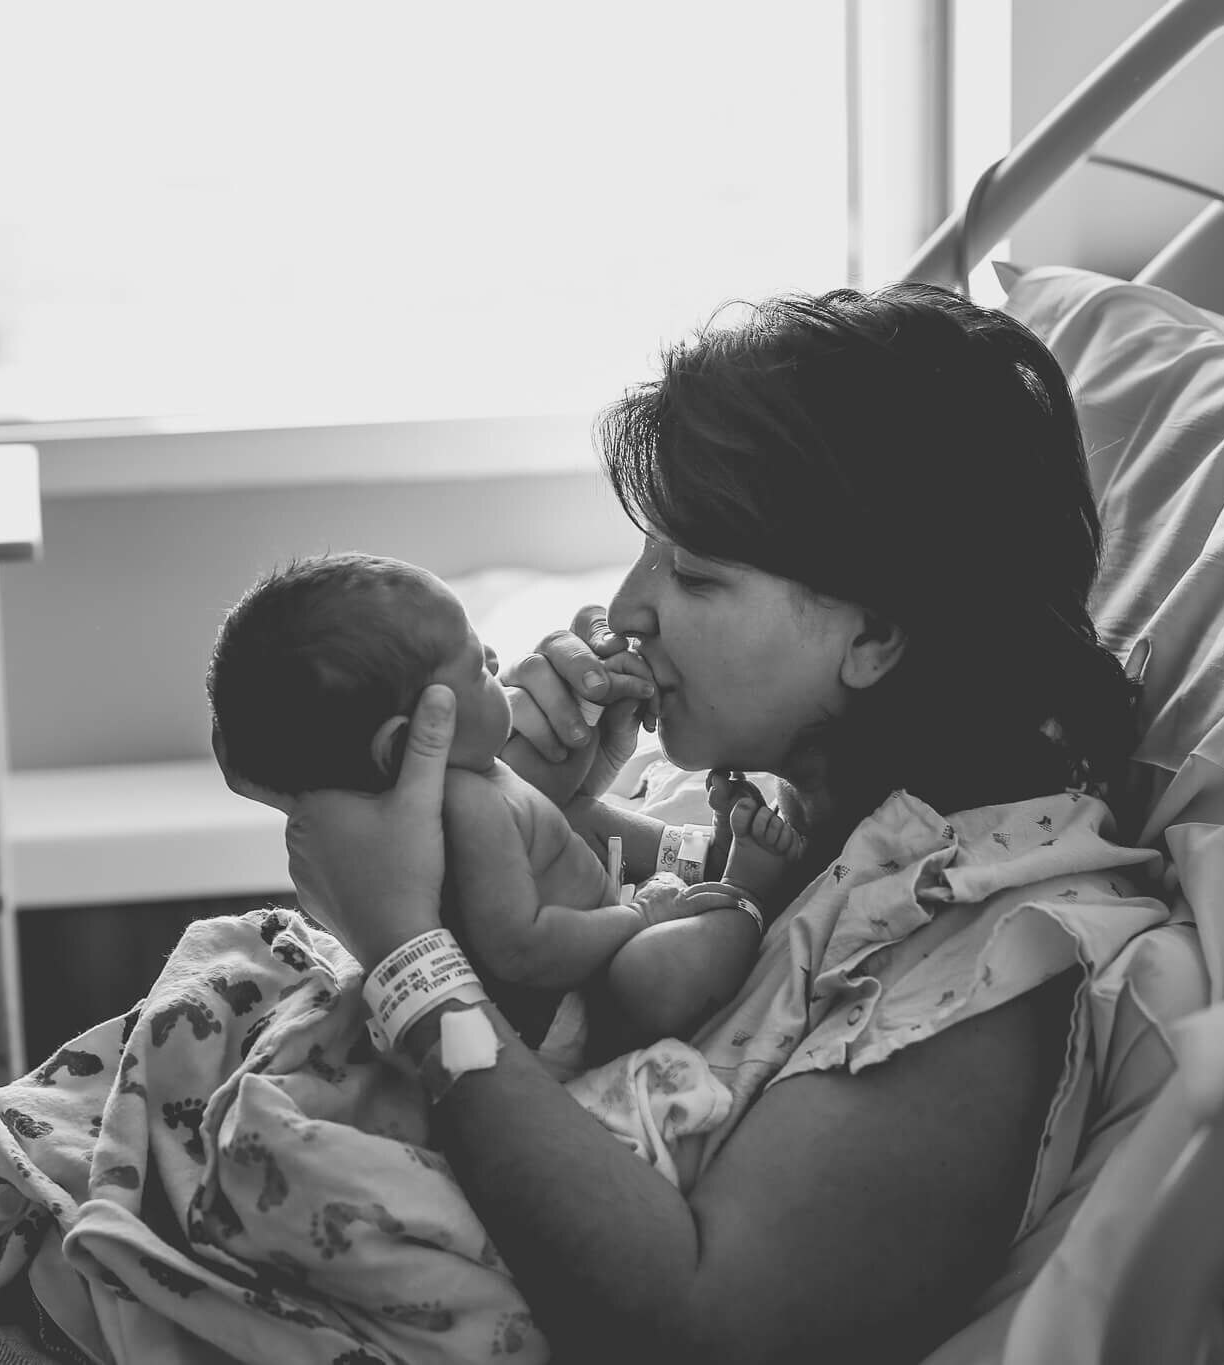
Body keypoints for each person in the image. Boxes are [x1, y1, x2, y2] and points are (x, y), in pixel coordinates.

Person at [230, 282, 1166, 1364]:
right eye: (644, 554)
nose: (628, 609)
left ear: (875, 637)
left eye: (694, 575)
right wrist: (542, 806)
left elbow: (695, 1324)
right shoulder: (769, 808)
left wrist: (407, 960)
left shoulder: (983, 962)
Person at [206, 551, 810, 1060]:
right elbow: (522, 946)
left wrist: (577, 781)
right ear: (411, 739)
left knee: (580, 818)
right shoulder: (470, 811)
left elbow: (558, 838)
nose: (497, 661)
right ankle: (745, 892)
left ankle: (705, 853)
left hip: (587, 925)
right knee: (652, 976)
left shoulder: (475, 783)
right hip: (567, 1010)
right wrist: (637, 921)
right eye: (475, 667)